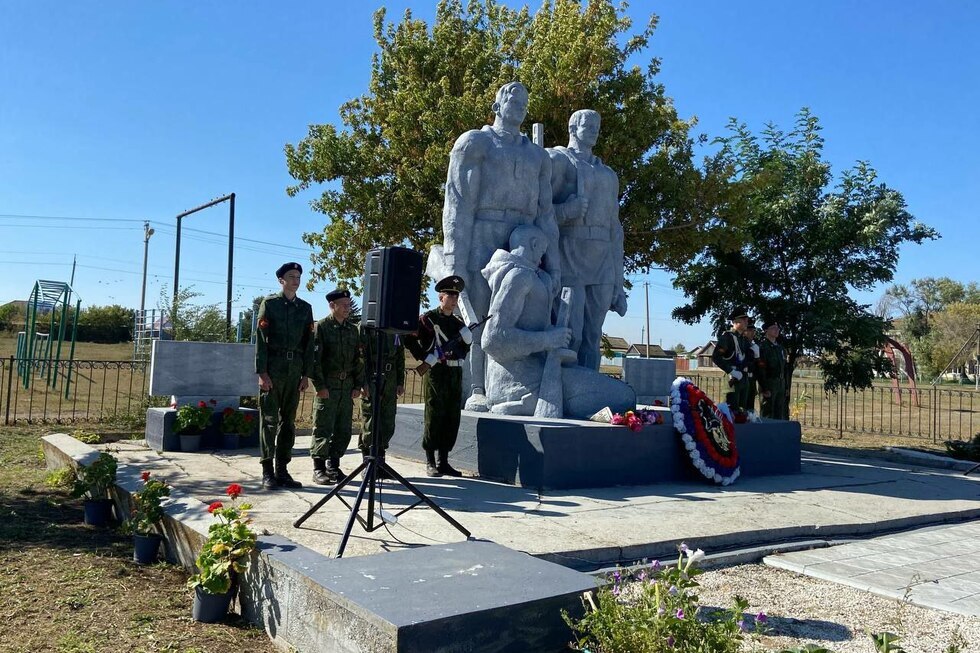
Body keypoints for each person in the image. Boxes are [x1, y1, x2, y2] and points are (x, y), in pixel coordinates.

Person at [440, 81, 559, 412]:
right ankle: (477, 387)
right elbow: (457, 203)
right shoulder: (476, 143)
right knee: (480, 313)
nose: (519, 104)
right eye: (512, 98)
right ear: (496, 104)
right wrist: (454, 258)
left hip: (524, 238)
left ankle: (512, 387)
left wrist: (555, 262)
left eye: (524, 100)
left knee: (518, 314)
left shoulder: (538, 156)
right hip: (484, 232)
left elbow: (546, 213)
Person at [480, 225, 635, 417]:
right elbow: (493, 340)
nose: (542, 259)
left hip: (538, 370)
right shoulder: (518, 276)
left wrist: (556, 340)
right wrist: (547, 339)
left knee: (622, 395)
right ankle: (517, 400)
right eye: (542, 252)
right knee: (622, 397)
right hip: (518, 380)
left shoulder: (533, 276)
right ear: (534, 244)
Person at [547, 109, 627, 370]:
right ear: (573, 128)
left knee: (593, 335)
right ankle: (562, 389)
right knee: (572, 332)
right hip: (570, 254)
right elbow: (537, 211)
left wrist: (619, 280)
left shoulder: (608, 175)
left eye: (597, 125)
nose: (594, 130)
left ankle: (588, 392)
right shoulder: (557, 160)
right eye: (588, 125)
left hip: (603, 259)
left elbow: (615, 228)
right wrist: (565, 211)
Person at [403, 275, 472, 477]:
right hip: (437, 371)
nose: (453, 299)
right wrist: (425, 357)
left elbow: (462, 350)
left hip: (454, 371)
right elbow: (409, 339)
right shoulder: (428, 320)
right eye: (450, 295)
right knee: (435, 415)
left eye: (456, 296)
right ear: (441, 297)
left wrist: (466, 343)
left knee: (451, 415)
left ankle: (444, 461)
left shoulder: (459, 323)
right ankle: (430, 460)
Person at [255, 262, 314, 490]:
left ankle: (283, 470)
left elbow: (309, 344)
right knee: (269, 421)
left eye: (298, 276)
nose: (296, 280)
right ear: (281, 280)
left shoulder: (305, 308)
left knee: (288, 422)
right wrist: (262, 372)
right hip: (274, 367)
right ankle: (267, 470)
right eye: (291, 276)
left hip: (295, 369)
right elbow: (261, 340)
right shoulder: (270, 304)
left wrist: (306, 374)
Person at [309, 288, 364, 485]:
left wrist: (358, 384)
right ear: (332, 306)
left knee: (343, 428)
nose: (347, 308)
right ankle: (318, 468)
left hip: (347, 385)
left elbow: (358, 359)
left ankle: (334, 465)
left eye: (349, 305)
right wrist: (320, 385)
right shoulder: (322, 327)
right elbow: (315, 360)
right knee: (323, 426)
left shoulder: (352, 330)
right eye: (343, 305)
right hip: (328, 385)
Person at [359, 328, 405, 479]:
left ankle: (380, 462)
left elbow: (400, 355)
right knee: (370, 419)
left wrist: (399, 381)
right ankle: (367, 462)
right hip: (372, 376)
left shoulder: (395, 327)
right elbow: (361, 357)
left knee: (387, 420)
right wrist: (363, 382)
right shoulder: (366, 326)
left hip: (390, 379)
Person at [712, 307, 751, 416]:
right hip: (732, 379)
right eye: (744, 320)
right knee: (731, 413)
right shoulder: (727, 337)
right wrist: (731, 371)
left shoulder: (743, 339)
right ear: (736, 321)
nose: (746, 322)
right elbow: (716, 357)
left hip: (743, 377)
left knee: (743, 412)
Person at [757, 320, 788, 419]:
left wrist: (786, 386)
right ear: (766, 330)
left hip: (780, 383)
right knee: (768, 412)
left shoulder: (780, 348)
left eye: (778, 328)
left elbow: (784, 368)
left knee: (779, 411)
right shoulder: (763, 347)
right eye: (773, 328)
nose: (777, 330)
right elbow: (761, 370)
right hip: (769, 382)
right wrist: (764, 388)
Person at [743, 322, 760, 414]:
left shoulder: (755, 346)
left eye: (753, 331)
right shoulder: (740, 344)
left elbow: (757, 366)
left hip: (751, 379)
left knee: (750, 408)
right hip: (742, 378)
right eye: (749, 330)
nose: (752, 333)